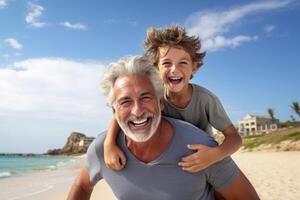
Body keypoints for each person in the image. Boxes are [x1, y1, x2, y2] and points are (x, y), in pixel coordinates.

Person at [67, 55, 259, 200]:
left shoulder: (201, 148)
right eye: (125, 101)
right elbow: (82, 186)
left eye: (145, 98)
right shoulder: (103, 149)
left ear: (160, 103)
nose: (137, 111)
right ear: (114, 111)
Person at [104, 25, 242, 172]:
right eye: (166, 63)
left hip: (203, 159)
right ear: (156, 68)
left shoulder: (206, 100)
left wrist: (214, 155)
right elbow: (124, 113)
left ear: (194, 68)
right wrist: (109, 143)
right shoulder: (153, 98)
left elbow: (235, 138)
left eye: (182, 63)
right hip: (174, 161)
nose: (174, 70)